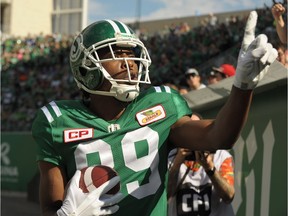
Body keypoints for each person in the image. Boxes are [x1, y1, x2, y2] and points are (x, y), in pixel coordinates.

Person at [32, 11, 277, 216]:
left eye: (131, 54)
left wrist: (242, 87)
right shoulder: (57, 121)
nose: (128, 62)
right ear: (85, 67)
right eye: (114, 53)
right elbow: (49, 208)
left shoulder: (161, 104)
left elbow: (218, 136)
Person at [167, 114, 235, 216]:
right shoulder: (170, 157)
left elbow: (229, 196)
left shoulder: (220, 156)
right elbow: (166, 196)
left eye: (195, 131)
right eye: (187, 132)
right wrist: (177, 163)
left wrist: (210, 169)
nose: (191, 139)